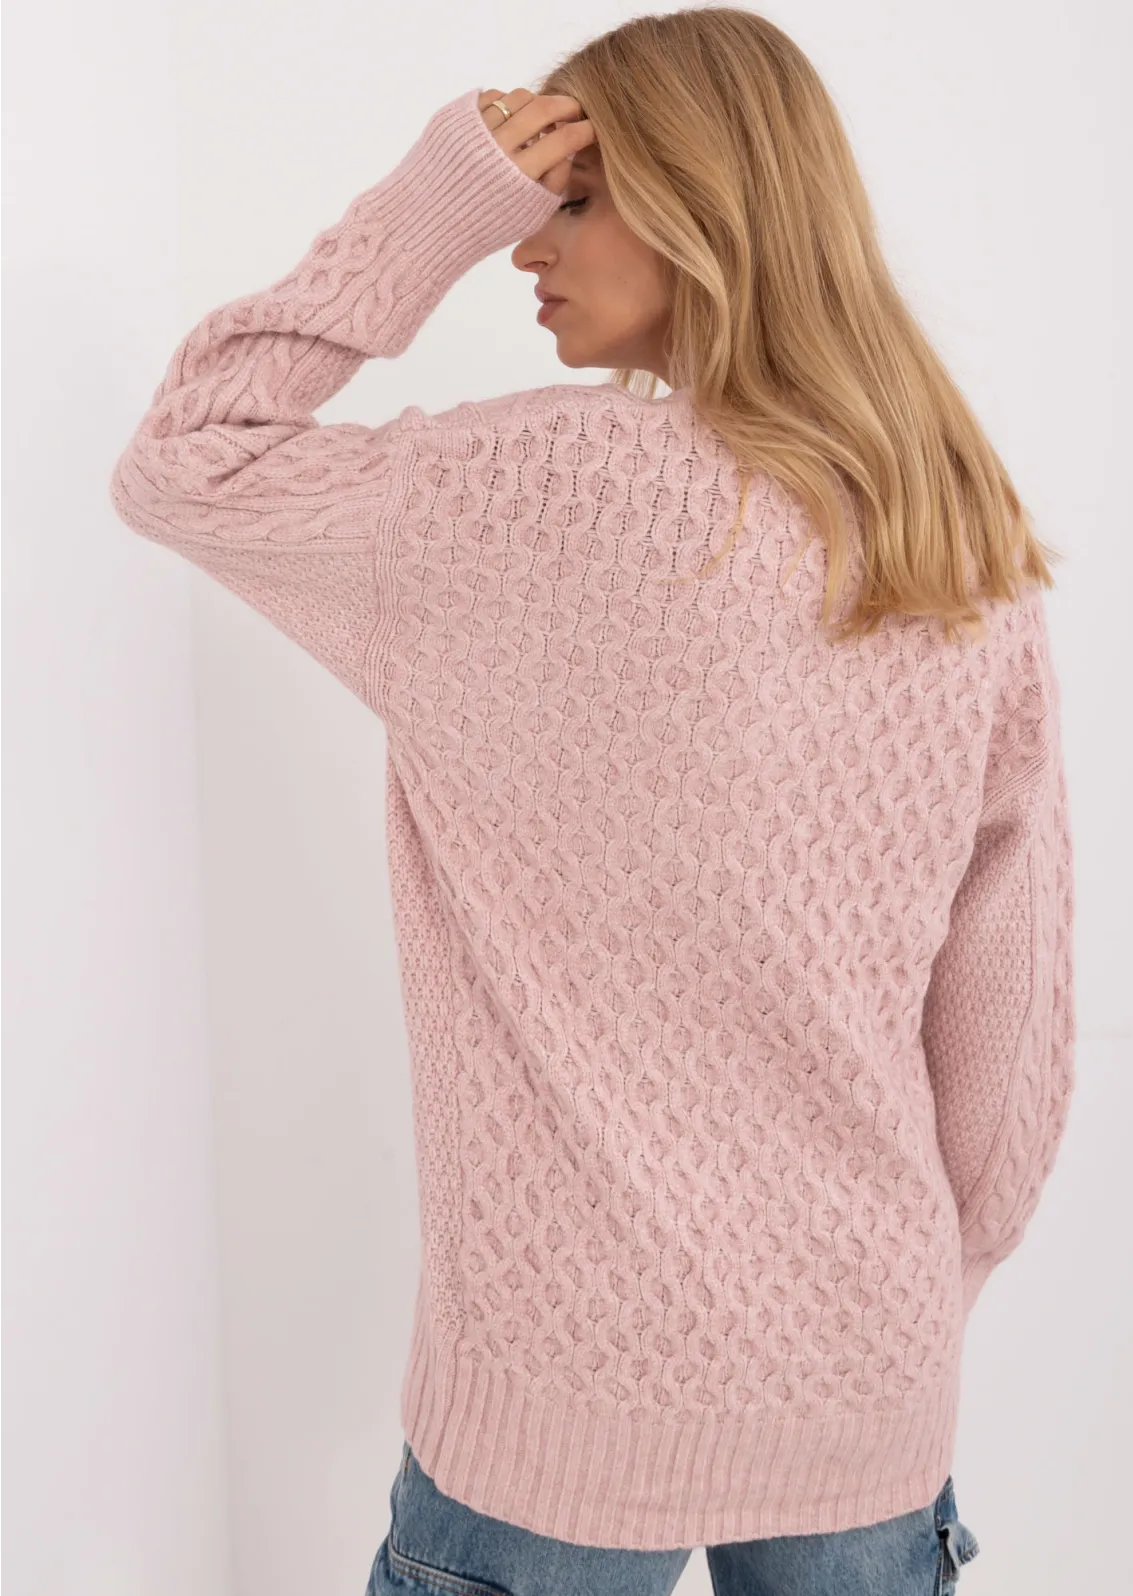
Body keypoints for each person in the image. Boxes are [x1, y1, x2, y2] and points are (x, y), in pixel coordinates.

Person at [108, 7, 1073, 1592]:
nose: (522, 246)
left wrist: (428, 207)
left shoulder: (510, 501)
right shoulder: (954, 544)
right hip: (866, 1359)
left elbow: (186, 459)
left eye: (568, 199)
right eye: (515, 203)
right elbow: (1008, 1035)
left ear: (701, 207)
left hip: (554, 1378)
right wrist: (909, 1310)